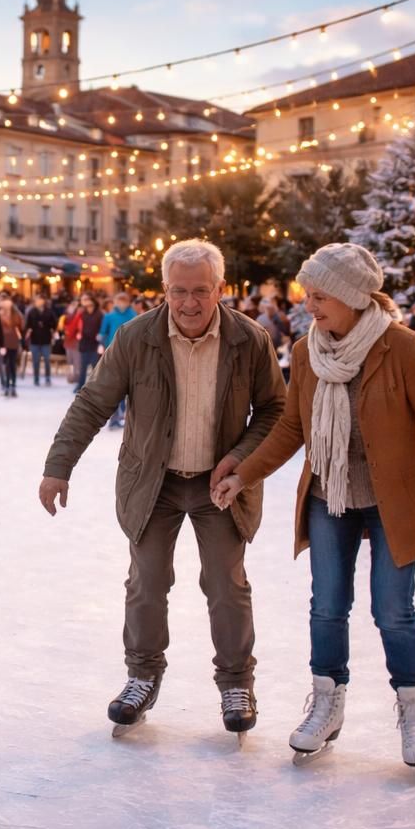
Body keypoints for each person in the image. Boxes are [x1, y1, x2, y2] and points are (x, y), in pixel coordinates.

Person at [213, 243, 415, 774]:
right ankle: (326, 701)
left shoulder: (402, 347)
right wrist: (243, 472)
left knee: (392, 610)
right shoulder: (306, 352)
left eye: (319, 296)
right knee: (326, 606)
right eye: (307, 295)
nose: (310, 306)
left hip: (393, 499)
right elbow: (293, 429)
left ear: (352, 297)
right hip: (329, 494)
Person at [40, 240, 286, 739]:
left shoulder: (249, 340)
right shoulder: (137, 338)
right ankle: (142, 676)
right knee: (147, 583)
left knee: (226, 583)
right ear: (164, 289)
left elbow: (275, 411)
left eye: (200, 291)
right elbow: (92, 404)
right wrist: (58, 466)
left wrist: (240, 460)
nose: (189, 302)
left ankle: (236, 682)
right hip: (153, 482)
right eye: (178, 291)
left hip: (221, 485)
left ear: (220, 289)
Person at [99, 292, 139, 430]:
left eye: (124, 301)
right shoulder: (109, 316)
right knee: (115, 387)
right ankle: (114, 417)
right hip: (112, 353)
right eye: (119, 301)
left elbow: (138, 333)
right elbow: (103, 332)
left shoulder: (133, 315)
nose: (121, 304)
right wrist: (101, 345)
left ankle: (126, 416)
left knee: (129, 387)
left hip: (130, 354)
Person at [66, 295, 103, 391]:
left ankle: (96, 387)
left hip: (95, 342)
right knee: (83, 366)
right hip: (84, 342)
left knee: (95, 366)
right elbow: (74, 325)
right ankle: (80, 385)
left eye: (89, 301)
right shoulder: (82, 314)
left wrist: (101, 339)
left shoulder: (99, 314)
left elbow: (102, 327)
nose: (88, 304)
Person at [24, 295, 58, 386]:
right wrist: (29, 330)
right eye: (37, 301)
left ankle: (47, 378)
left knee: (47, 360)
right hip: (35, 339)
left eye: (40, 300)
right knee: (36, 360)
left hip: (46, 339)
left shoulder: (49, 312)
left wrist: (50, 327)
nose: (39, 302)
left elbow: (54, 323)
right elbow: (27, 324)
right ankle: (36, 378)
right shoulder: (31, 312)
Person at [0, 298, 24, 398]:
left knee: (12, 364)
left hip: (13, 342)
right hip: (3, 343)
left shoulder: (16, 315)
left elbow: (21, 326)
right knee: (6, 364)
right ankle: (6, 385)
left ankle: (13, 386)